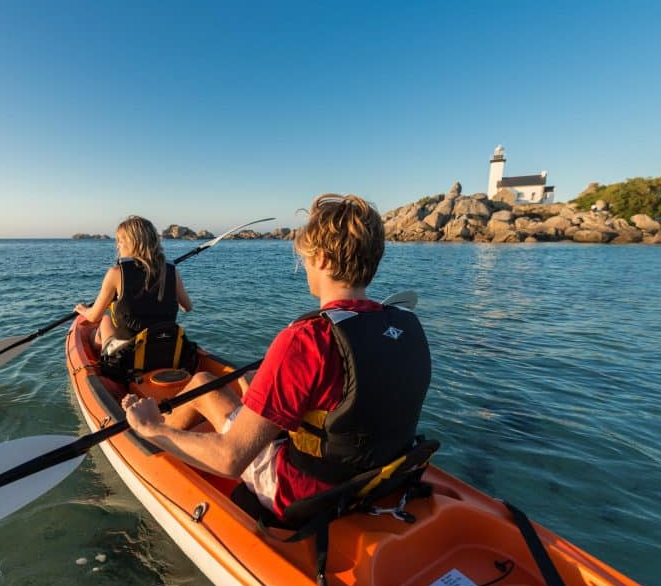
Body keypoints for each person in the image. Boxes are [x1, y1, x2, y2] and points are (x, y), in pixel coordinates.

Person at [122, 193, 431, 521]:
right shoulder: (405, 323)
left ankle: (151, 442)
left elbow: (231, 460)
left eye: (308, 258)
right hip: (369, 478)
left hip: (299, 491)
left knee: (202, 384)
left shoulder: (308, 339)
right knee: (231, 384)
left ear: (323, 259)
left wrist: (153, 427)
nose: (306, 266)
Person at [74, 215, 193, 349]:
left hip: (129, 355)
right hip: (164, 347)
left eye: (120, 241)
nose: (117, 245)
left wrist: (83, 310)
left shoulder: (116, 273)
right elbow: (187, 307)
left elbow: (94, 317)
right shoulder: (172, 272)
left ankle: (98, 363)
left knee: (105, 320)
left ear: (133, 242)